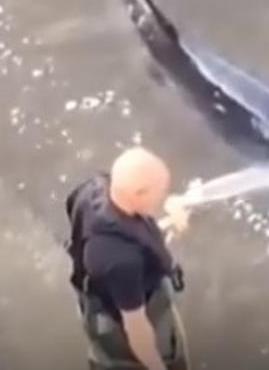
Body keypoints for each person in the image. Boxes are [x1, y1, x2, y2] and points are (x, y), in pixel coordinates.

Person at [64, 146, 190, 370]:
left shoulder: (94, 189)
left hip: (108, 290)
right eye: (160, 192)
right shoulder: (121, 262)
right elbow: (137, 328)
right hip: (127, 315)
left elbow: (133, 235)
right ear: (138, 194)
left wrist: (171, 223)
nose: (163, 197)